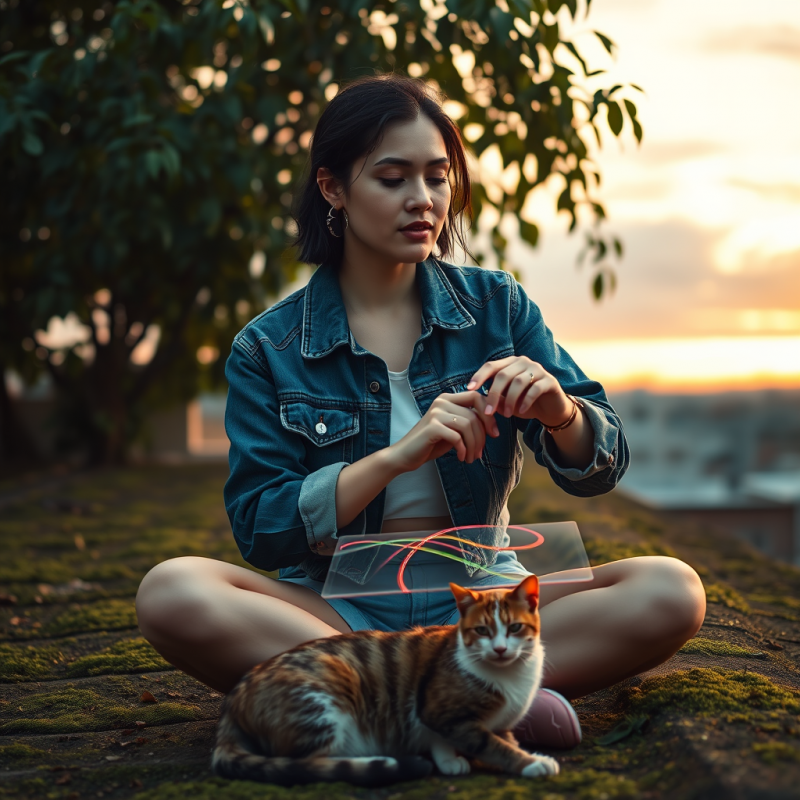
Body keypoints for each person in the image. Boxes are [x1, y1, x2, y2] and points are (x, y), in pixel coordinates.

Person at [136, 73, 706, 749]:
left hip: (484, 602)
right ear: (333, 189)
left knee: (673, 589)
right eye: (393, 178)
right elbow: (262, 529)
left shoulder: (496, 307)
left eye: (437, 178)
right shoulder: (269, 346)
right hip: (337, 613)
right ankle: (473, 711)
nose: (423, 200)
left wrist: (560, 413)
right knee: (169, 592)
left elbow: (603, 463)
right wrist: (396, 457)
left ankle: (400, 714)